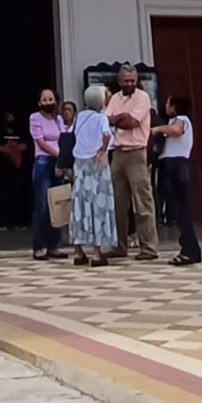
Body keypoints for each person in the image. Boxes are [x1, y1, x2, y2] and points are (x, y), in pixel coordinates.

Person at [105, 64, 159, 261]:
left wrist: (117, 119)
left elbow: (133, 122)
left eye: (132, 81)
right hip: (118, 153)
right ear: (120, 81)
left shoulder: (142, 97)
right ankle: (119, 246)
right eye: (126, 81)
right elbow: (107, 120)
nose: (129, 84)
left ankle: (149, 247)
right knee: (117, 203)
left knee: (143, 201)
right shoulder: (116, 98)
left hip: (136, 152)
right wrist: (120, 118)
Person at [68, 85, 116, 267]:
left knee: (80, 204)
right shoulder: (100, 117)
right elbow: (106, 135)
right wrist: (103, 149)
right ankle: (97, 253)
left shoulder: (80, 116)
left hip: (79, 161)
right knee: (98, 204)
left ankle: (79, 251)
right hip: (97, 163)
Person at [155, 92, 202, 266]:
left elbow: (176, 130)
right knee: (177, 210)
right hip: (171, 166)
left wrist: (158, 129)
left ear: (174, 106)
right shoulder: (174, 121)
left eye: (168, 103)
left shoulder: (181, 120)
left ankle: (191, 249)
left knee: (181, 209)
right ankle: (188, 247)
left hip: (176, 166)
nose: (166, 106)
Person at [27, 85, 65, 259]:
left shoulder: (59, 120)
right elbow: (40, 142)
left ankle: (53, 245)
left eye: (51, 99)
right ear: (39, 102)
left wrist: (65, 160)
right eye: (44, 100)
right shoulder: (35, 118)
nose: (48, 102)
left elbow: (64, 139)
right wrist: (58, 154)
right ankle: (38, 246)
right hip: (43, 162)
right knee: (42, 205)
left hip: (58, 164)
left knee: (56, 204)